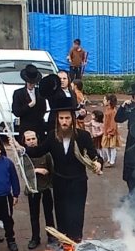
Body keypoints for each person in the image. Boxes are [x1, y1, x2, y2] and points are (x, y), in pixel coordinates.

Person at [28, 91, 102, 242]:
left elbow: (95, 155)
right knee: (61, 214)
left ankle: (76, 242)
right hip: (60, 182)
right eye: (61, 118)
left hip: (78, 182)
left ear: (73, 119)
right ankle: (64, 243)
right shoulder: (52, 136)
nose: (64, 122)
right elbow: (37, 151)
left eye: (67, 118)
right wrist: (21, 149)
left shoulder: (83, 136)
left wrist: (98, 163)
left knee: (76, 213)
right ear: (57, 119)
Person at [22, 130, 55, 250]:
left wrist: (51, 184)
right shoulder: (24, 155)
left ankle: (51, 235)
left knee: (49, 213)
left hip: (45, 187)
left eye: (33, 139)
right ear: (24, 141)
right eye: (28, 140)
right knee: (34, 215)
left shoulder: (45, 153)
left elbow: (51, 169)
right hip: (33, 189)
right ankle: (35, 237)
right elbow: (23, 171)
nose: (31, 142)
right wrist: (36, 170)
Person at [12, 64, 49, 137]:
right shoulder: (18, 93)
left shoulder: (40, 92)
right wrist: (29, 106)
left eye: (33, 83)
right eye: (29, 82)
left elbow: (43, 109)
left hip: (39, 127)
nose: (31, 84)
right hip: (25, 127)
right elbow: (16, 112)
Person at [100, 94, 122, 166]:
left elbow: (113, 122)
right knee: (106, 146)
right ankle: (109, 159)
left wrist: (110, 132)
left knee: (112, 147)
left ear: (109, 101)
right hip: (106, 131)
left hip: (110, 132)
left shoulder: (113, 111)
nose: (103, 101)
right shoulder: (108, 109)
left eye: (104, 100)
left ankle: (112, 161)